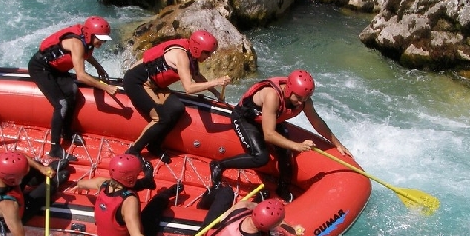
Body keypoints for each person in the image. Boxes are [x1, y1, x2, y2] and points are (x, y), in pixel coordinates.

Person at [210, 69, 350, 202]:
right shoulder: (272, 96)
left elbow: (317, 123)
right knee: (260, 157)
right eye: (299, 97)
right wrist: (297, 145)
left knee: (287, 155)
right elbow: (269, 135)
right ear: (289, 90)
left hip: (272, 119)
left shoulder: (304, 101)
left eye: (306, 98)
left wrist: (337, 144)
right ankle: (219, 165)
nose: (301, 102)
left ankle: (282, 189)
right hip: (246, 119)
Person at [122, 30, 231, 163]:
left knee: (177, 108)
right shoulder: (182, 56)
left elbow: (196, 76)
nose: (209, 56)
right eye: (207, 53)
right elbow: (189, 88)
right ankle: (134, 150)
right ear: (197, 49)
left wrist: (216, 92)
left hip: (156, 86)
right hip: (137, 82)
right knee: (161, 118)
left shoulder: (191, 55)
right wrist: (217, 81)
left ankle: (154, 145)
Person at [28, 16, 119, 160]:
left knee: (73, 92)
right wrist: (106, 88)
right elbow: (81, 76)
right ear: (90, 34)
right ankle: (55, 149)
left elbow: (85, 54)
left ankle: (67, 132)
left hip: (56, 70)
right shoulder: (76, 43)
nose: (102, 42)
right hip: (41, 68)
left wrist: (99, 67)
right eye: (100, 38)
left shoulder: (86, 40)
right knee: (61, 104)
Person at [75, 153, 178, 236]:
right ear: (130, 177)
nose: (138, 175)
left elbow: (81, 183)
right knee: (157, 202)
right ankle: (166, 193)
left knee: (126, 188)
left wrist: (79, 187)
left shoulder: (102, 183)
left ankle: (148, 181)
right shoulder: (129, 201)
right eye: (137, 175)